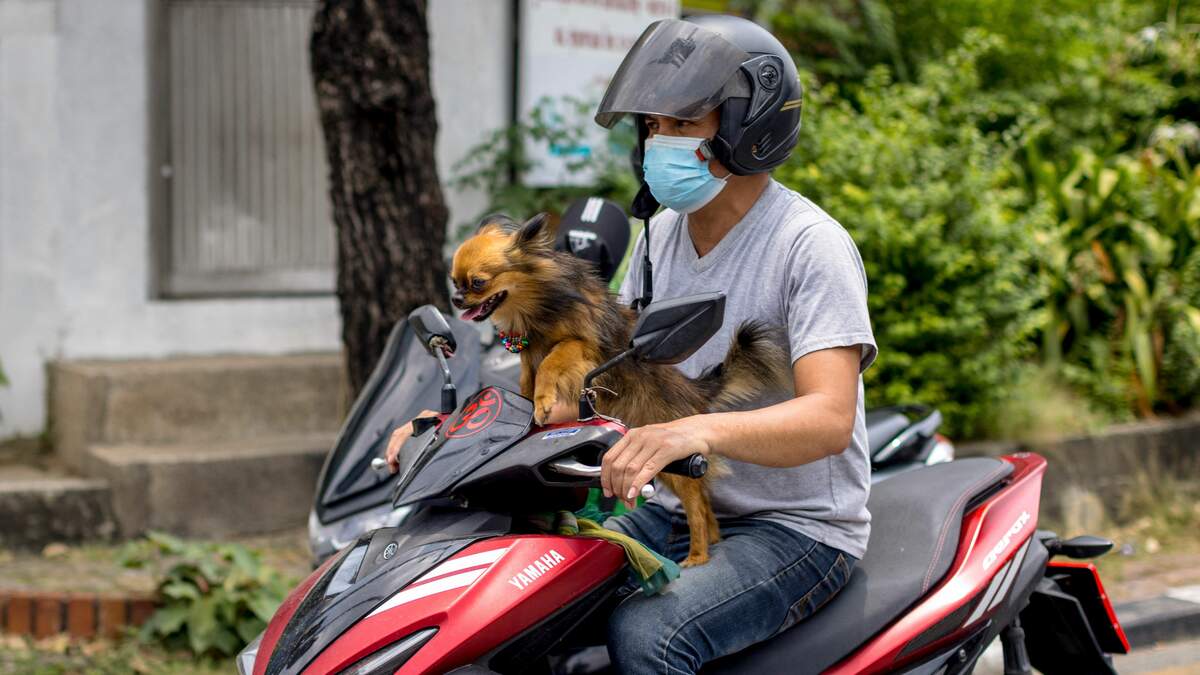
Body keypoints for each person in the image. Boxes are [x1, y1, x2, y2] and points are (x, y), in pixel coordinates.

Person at [588, 14, 877, 673]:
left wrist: (696, 431)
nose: (659, 141)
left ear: (749, 126)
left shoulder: (809, 245)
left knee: (649, 636)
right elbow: (610, 372)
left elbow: (830, 419)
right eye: (653, 125)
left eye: (683, 122)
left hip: (795, 527)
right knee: (533, 581)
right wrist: (464, 426)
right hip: (675, 507)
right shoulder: (661, 236)